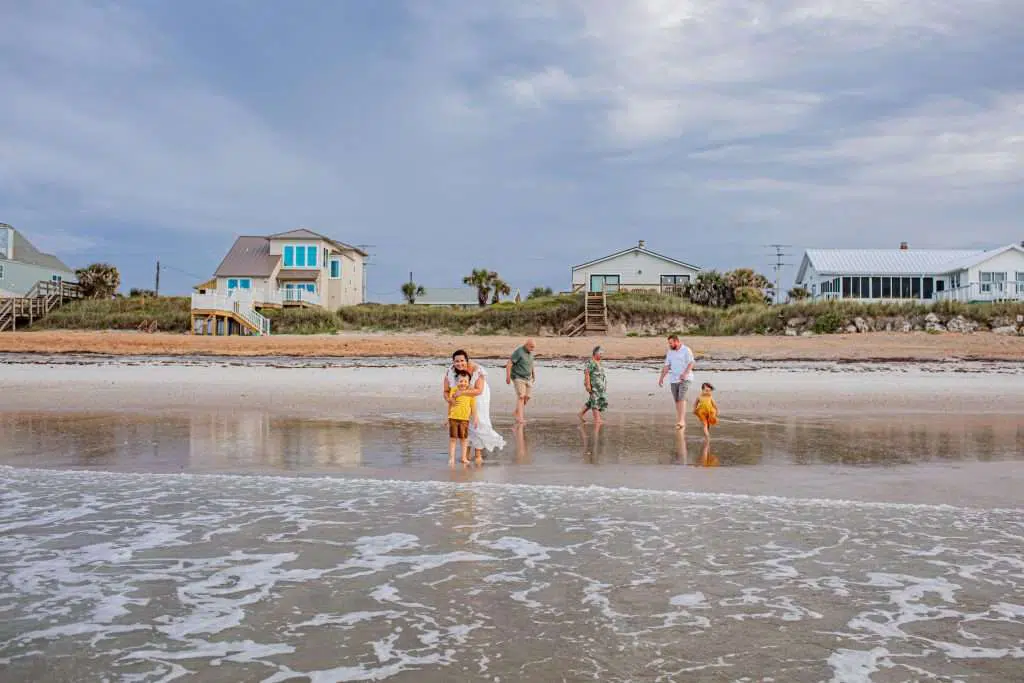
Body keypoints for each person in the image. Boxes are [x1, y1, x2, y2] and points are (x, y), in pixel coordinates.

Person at [444, 350, 505, 458]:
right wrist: (449, 400)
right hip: (460, 397)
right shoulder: (450, 371)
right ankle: (466, 453)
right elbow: (446, 391)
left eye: (462, 361)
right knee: (465, 421)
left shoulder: (477, 370)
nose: (459, 363)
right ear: (453, 362)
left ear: (467, 360)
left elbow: (479, 390)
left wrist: (462, 392)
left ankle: (478, 454)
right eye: (456, 361)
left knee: (479, 421)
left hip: (479, 396)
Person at [657, 334, 695, 430]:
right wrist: (661, 378)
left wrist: (685, 374)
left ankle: (681, 420)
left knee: (681, 397)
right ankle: (680, 420)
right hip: (673, 379)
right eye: (669, 343)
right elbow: (667, 366)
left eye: (671, 343)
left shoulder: (686, 350)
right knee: (677, 400)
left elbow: (691, 363)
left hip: (685, 378)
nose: (670, 345)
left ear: (677, 341)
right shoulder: (670, 352)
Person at [447, 372, 478, 465]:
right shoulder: (453, 390)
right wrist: (447, 417)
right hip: (453, 418)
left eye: (465, 381)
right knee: (453, 439)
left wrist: (475, 418)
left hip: (465, 419)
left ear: (468, 382)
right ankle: (451, 458)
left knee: (464, 439)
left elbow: (473, 406)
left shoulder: (470, 393)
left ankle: (464, 457)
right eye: (461, 381)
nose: (463, 383)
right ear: (457, 382)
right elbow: (450, 404)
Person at [506, 339, 536, 424]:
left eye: (534, 347)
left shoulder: (530, 353)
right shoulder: (519, 352)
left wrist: (534, 374)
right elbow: (509, 363)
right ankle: (520, 418)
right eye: (531, 347)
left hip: (528, 378)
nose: (533, 349)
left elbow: (531, 364)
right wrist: (508, 377)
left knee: (527, 397)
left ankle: (516, 412)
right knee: (521, 396)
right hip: (518, 377)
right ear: (526, 345)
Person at [578, 345, 607, 424]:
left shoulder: (599, 362)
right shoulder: (591, 362)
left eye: (602, 354)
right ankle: (597, 419)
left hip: (600, 387)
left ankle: (581, 413)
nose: (602, 355)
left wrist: (604, 385)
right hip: (593, 386)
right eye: (600, 354)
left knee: (592, 401)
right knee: (595, 401)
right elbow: (587, 373)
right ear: (595, 353)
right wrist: (588, 385)